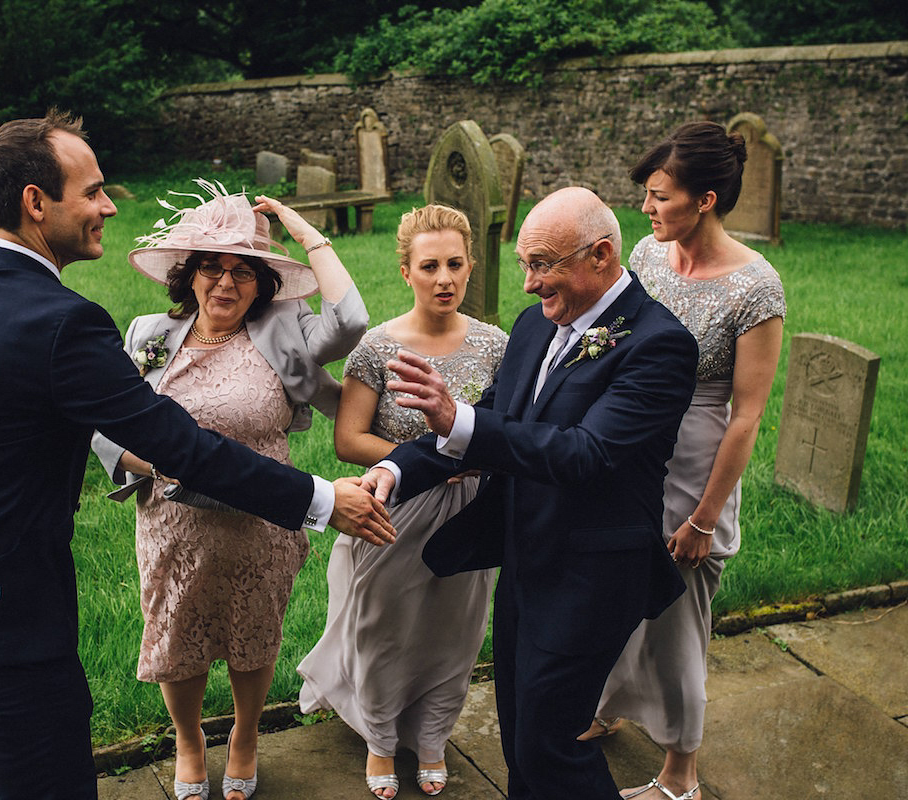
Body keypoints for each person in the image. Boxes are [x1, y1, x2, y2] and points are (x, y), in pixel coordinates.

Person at [0, 110, 394, 800]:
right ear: (36, 202)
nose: (109, 206)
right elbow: (180, 445)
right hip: (7, 612)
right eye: (92, 192)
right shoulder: (63, 322)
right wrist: (323, 499)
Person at [361, 186, 700, 799]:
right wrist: (402, 469)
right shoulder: (534, 325)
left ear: (600, 255)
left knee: (552, 743)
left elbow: (586, 454)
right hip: (526, 558)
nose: (528, 284)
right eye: (525, 264)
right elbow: (495, 418)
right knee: (520, 731)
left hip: (591, 576)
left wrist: (457, 419)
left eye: (543, 264)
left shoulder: (659, 345)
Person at [90, 182, 369, 800]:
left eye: (243, 272)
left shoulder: (285, 330)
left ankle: (245, 735)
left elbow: (351, 319)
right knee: (176, 638)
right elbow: (105, 426)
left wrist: (303, 228)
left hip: (261, 518)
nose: (225, 283)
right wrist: (155, 464)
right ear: (188, 274)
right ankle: (190, 744)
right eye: (211, 266)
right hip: (171, 521)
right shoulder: (147, 334)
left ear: (264, 284)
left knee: (253, 633)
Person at [582, 121, 786, 800]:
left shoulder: (756, 288)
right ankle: (605, 707)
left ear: (704, 200)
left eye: (660, 196)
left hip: (698, 458)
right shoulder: (645, 254)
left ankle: (681, 774)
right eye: (646, 194)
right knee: (613, 589)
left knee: (677, 620)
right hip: (629, 447)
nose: (646, 208)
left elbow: (748, 413)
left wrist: (704, 518)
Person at [296, 205, 508, 799]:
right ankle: (382, 741)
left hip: (470, 510)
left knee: (456, 632)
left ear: (471, 270)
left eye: (455, 265)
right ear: (407, 272)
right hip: (393, 509)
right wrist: (424, 462)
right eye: (430, 266)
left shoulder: (498, 346)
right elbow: (349, 439)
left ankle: (435, 738)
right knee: (384, 631)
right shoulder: (376, 347)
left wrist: (469, 462)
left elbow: (506, 432)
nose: (444, 278)